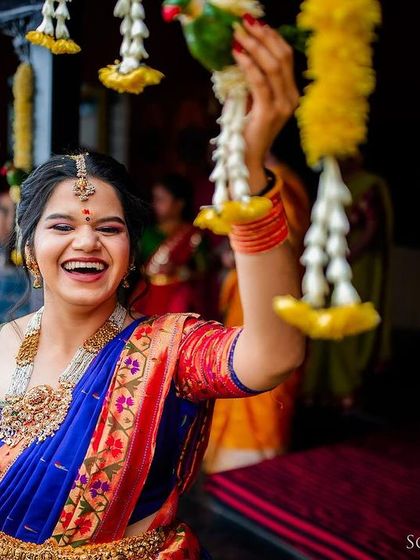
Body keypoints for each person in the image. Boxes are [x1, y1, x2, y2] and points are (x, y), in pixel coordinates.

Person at [0, 20, 304, 559]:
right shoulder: (1, 344)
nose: (87, 242)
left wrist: (249, 168)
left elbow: (273, 356)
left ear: (132, 252)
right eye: (62, 226)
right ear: (28, 245)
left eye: (110, 228)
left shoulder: (168, 352)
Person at [205, 156, 310, 473]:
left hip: (271, 294)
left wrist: (242, 256)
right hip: (245, 294)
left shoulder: (278, 182)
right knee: (236, 364)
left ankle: (255, 462)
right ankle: (230, 458)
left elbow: (282, 247)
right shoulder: (258, 178)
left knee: (265, 369)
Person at [301, 154, 393, 408]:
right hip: (330, 264)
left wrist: (348, 258)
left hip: (355, 268)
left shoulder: (368, 185)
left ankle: (345, 390)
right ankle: (317, 388)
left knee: (346, 326)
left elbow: (373, 226)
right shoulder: (332, 184)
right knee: (321, 324)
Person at [131, 174, 209, 316]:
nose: (155, 204)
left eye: (161, 200)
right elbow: (135, 267)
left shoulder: (193, 235)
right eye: (154, 199)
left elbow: (204, 271)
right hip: (149, 298)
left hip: (179, 299)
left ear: (179, 204)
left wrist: (178, 271)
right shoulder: (147, 234)